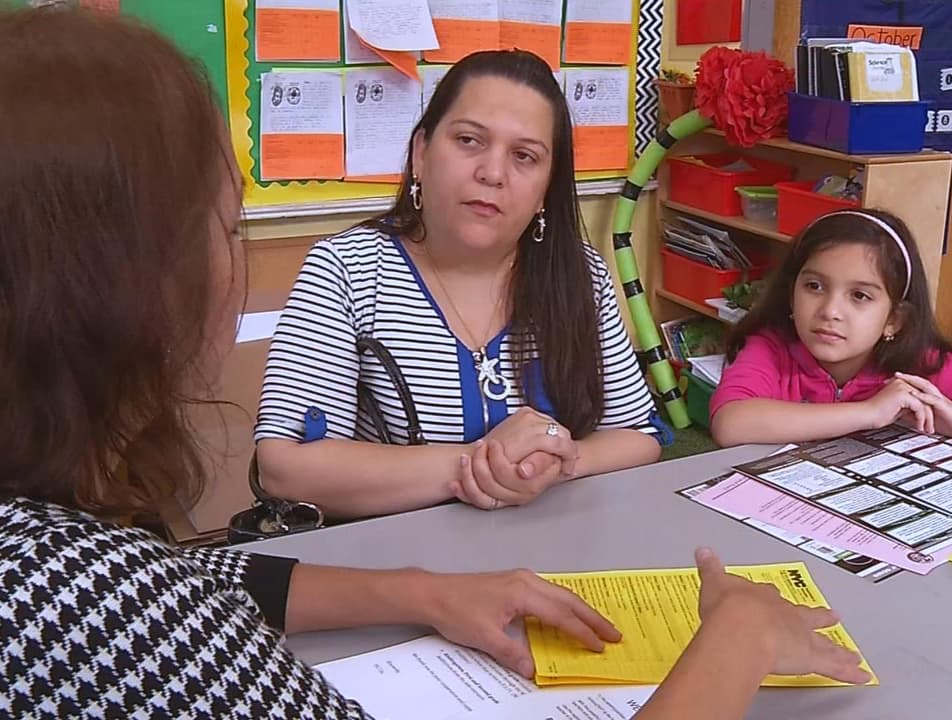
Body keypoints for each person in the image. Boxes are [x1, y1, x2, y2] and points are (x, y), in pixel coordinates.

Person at [0, 7, 867, 718]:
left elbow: (188, 582)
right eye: (222, 219)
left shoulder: (42, 559)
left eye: (526, 156)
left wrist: (435, 578)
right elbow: (210, 535)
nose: (493, 172)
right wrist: (740, 633)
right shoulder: (78, 605)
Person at [254, 50, 663, 520]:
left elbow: (638, 435)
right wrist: (483, 462)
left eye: (524, 156)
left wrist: (558, 462)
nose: (492, 173)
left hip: (550, 555)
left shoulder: (580, 275)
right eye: (469, 140)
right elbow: (285, 468)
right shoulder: (347, 269)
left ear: (547, 188)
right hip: (392, 569)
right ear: (422, 153)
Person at [710, 209, 952, 447]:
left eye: (859, 296)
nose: (830, 311)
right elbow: (732, 424)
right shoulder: (770, 348)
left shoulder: (918, 367)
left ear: (893, 320)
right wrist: (870, 412)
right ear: (791, 294)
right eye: (814, 286)